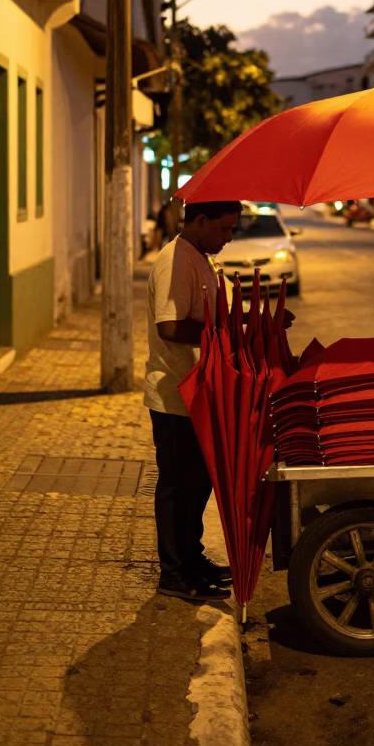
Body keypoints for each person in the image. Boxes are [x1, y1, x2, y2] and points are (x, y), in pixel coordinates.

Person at [145, 199, 242, 602]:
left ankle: (191, 557)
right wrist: (221, 333)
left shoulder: (200, 257)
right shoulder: (175, 262)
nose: (229, 237)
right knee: (177, 486)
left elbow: (214, 313)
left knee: (198, 484)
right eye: (224, 228)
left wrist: (247, 322)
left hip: (200, 392)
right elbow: (169, 325)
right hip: (175, 394)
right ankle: (173, 572)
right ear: (200, 220)